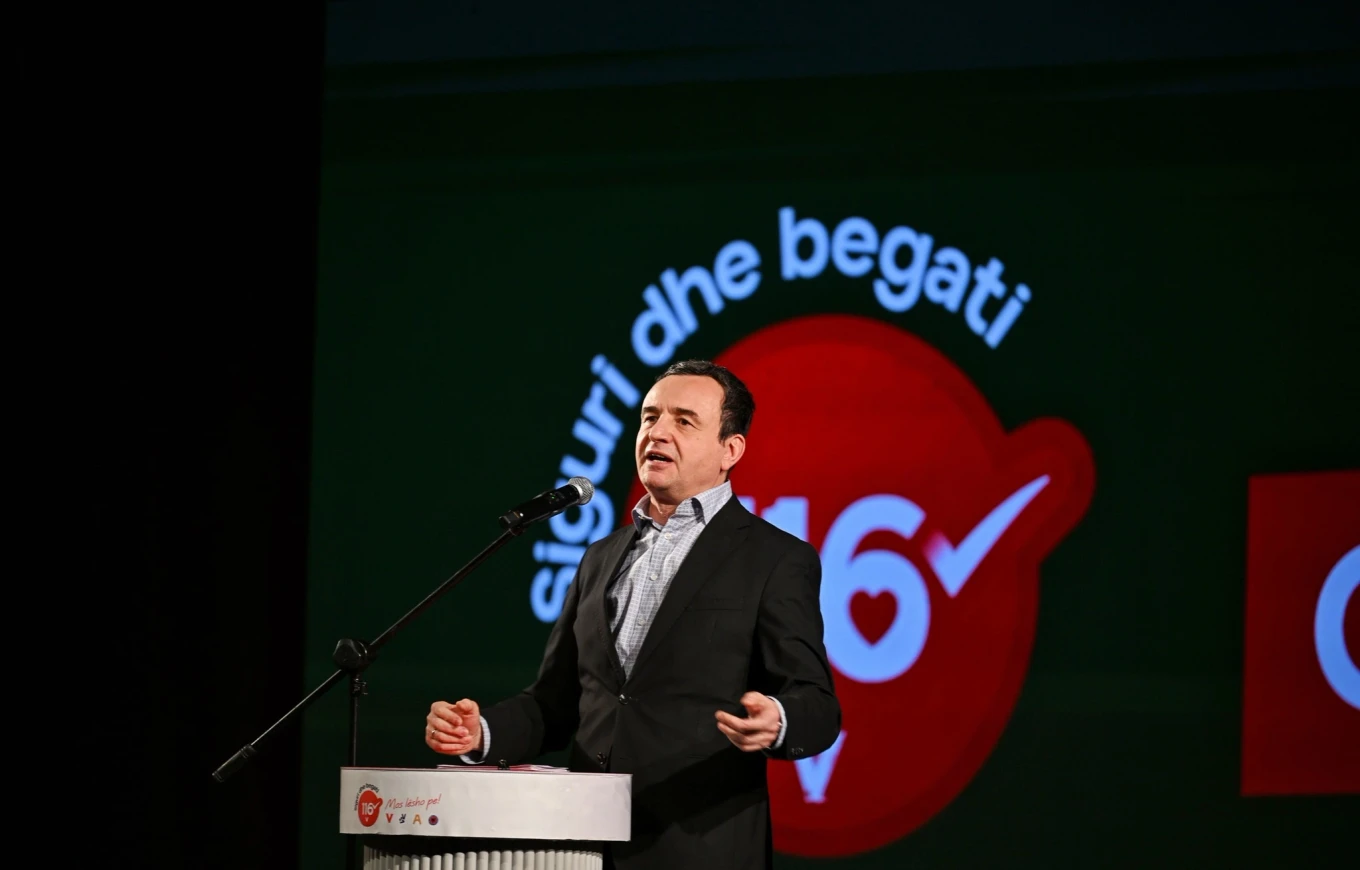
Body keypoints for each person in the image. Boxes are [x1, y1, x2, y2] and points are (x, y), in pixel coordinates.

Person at [425, 359, 841, 870]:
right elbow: (556, 703)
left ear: (730, 450)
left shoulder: (775, 559)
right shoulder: (599, 558)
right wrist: (481, 732)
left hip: (698, 849)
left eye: (684, 421)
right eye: (650, 417)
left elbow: (817, 704)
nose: (657, 432)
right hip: (583, 847)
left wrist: (778, 719)